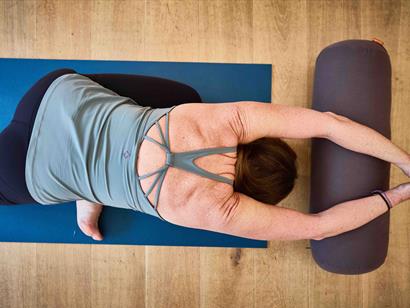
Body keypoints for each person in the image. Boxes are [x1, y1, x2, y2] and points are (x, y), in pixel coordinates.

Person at [1, 69, 409, 242]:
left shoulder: (230, 120)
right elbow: (318, 227)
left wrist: (403, 159)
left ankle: (89, 193)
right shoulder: (221, 212)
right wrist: (395, 196)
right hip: (31, 167)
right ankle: (89, 191)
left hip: (55, 93)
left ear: (262, 142)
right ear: (256, 196)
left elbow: (329, 123)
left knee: (182, 100)